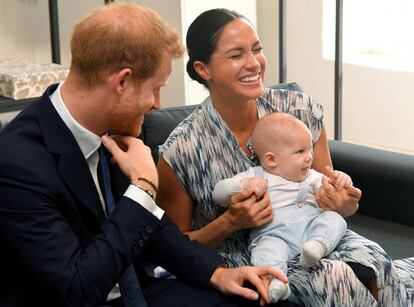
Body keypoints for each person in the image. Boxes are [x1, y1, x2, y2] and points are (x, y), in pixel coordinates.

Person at [0, 3, 292, 307]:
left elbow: (155, 228)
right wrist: (142, 189)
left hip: (137, 290)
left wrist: (218, 273)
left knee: (263, 300)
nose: (157, 104)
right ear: (121, 81)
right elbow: (77, 288)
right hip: (78, 295)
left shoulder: (118, 124)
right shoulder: (17, 164)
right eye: (155, 89)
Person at [157, 8, 409, 306]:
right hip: (255, 257)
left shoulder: (299, 110)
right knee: (332, 277)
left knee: (377, 260)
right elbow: (171, 249)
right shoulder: (181, 149)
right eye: (236, 55)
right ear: (203, 69)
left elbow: (332, 194)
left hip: (319, 235)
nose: (254, 63)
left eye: (257, 49)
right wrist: (230, 222)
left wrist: (344, 202)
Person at [212, 112, 352, 303]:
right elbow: (218, 194)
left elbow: (335, 189)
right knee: (265, 251)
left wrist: (342, 179)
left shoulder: (311, 176)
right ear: (271, 160)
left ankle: (317, 247)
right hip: (274, 234)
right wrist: (243, 184)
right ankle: (277, 281)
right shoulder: (257, 176)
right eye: (300, 152)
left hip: (311, 227)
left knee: (335, 220)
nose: (309, 158)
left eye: (309, 149)